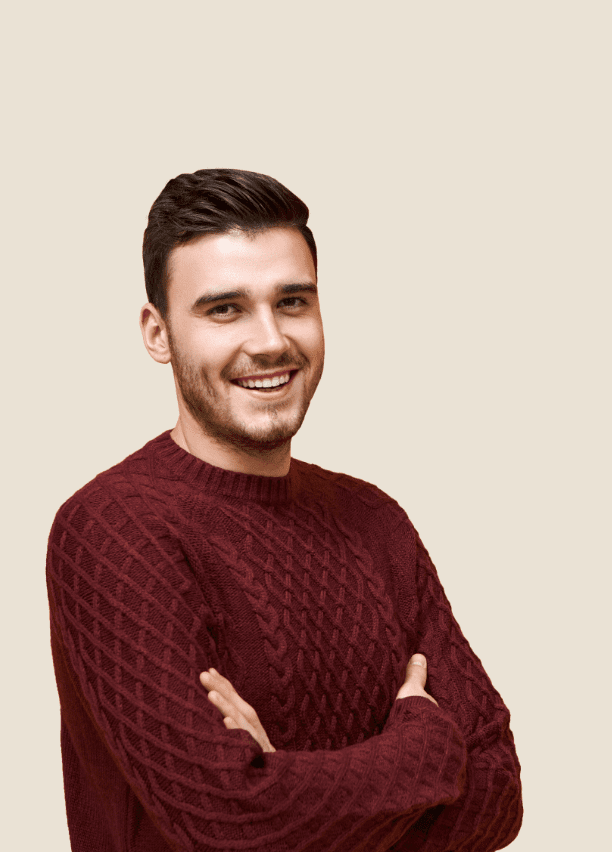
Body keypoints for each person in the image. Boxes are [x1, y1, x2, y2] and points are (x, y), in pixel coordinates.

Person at [46, 168, 523, 851]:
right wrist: (425, 746)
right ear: (158, 333)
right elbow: (228, 824)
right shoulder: (115, 531)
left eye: (292, 301)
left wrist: (284, 789)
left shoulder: (375, 519)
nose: (270, 340)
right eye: (225, 309)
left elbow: (499, 794)